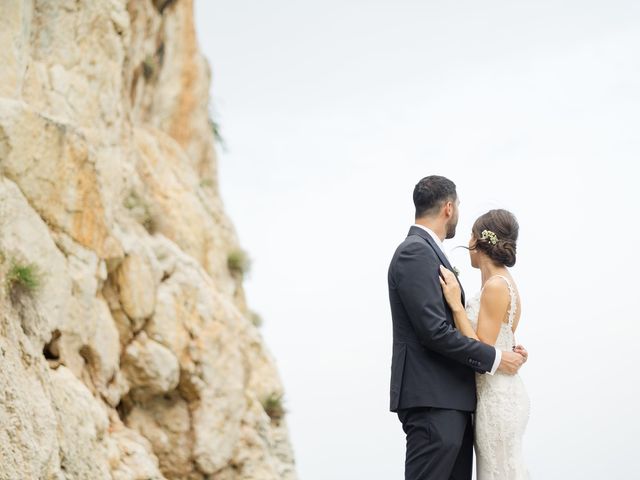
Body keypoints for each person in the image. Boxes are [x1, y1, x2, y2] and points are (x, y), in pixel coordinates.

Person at [387, 175, 527, 480]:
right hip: (433, 401)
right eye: (460, 206)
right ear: (449, 208)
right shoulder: (415, 251)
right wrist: (496, 358)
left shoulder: (429, 253)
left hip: (455, 402)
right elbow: (433, 331)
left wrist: (501, 349)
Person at [439, 208, 530, 479]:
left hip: (496, 398)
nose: (467, 243)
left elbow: (481, 349)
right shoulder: (500, 283)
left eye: (470, 235)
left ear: (479, 241)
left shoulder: (496, 286)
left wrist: (456, 305)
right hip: (500, 390)